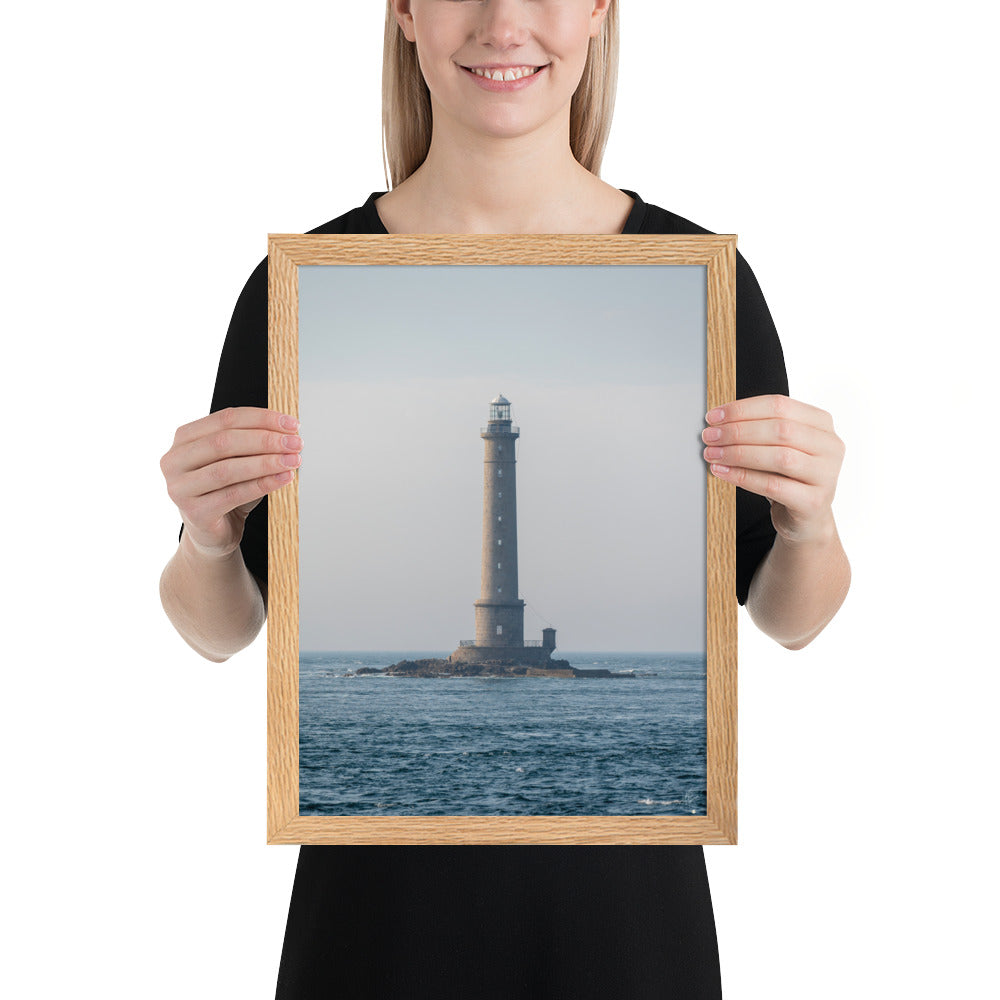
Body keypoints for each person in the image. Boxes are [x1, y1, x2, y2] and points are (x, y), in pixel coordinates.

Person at [160, 2, 850, 997]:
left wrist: (810, 521)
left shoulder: (701, 280)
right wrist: (207, 536)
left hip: (624, 931)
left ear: (601, 11)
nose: (503, 20)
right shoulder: (298, 285)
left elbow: (791, 616)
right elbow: (218, 631)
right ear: (402, 11)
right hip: (373, 930)